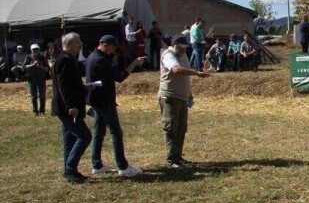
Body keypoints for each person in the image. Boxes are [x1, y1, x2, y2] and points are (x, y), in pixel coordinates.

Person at [85, 35, 145, 177]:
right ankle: (122, 166)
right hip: (105, 101)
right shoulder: (101, 60)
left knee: (98, 132)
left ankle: (96, 164)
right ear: (105, 45)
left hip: (96, 100)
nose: (113, 51)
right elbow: (119, 77)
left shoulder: (91, 57)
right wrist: (134, 64)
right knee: (116, 132)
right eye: (112, 48)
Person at [159, 36, 209, 169]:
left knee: (181, 129)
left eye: (185, 48)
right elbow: (176, 70)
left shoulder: (183, 56)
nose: (183, 50)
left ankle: (178, 157)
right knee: (171, 129)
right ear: (174, 44)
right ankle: (172, 160)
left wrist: (189, 93)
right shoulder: (168, 55)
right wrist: (196, 73)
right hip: (170, 97)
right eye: (181, 48)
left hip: (182, 98)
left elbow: (185, 77)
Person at [51, 33, 92, 184]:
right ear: (68, 44)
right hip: (67, 108)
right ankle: (69, 168)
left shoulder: (67, 59)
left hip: (66, 107)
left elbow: (71, 84)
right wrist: (71, 106)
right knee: (85, 136)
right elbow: (64, 86)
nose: (80, 45)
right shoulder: (64, 60)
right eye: (77, 43)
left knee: (69, 138)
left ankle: (70, 171)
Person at [24, 44, 49, 115]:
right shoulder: (28, 57)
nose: (35, 51)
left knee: (42, 95)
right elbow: (24, 66)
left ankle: (42, 111)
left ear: (39, 50)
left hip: (41, 78)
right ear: (31, 50)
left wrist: (40, 67)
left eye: (36, 49)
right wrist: (32, 65)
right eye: (33, 49)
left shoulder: (43, 58)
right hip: (32, 78)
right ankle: (35, 111)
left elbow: (47, 68)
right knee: (33, 95)